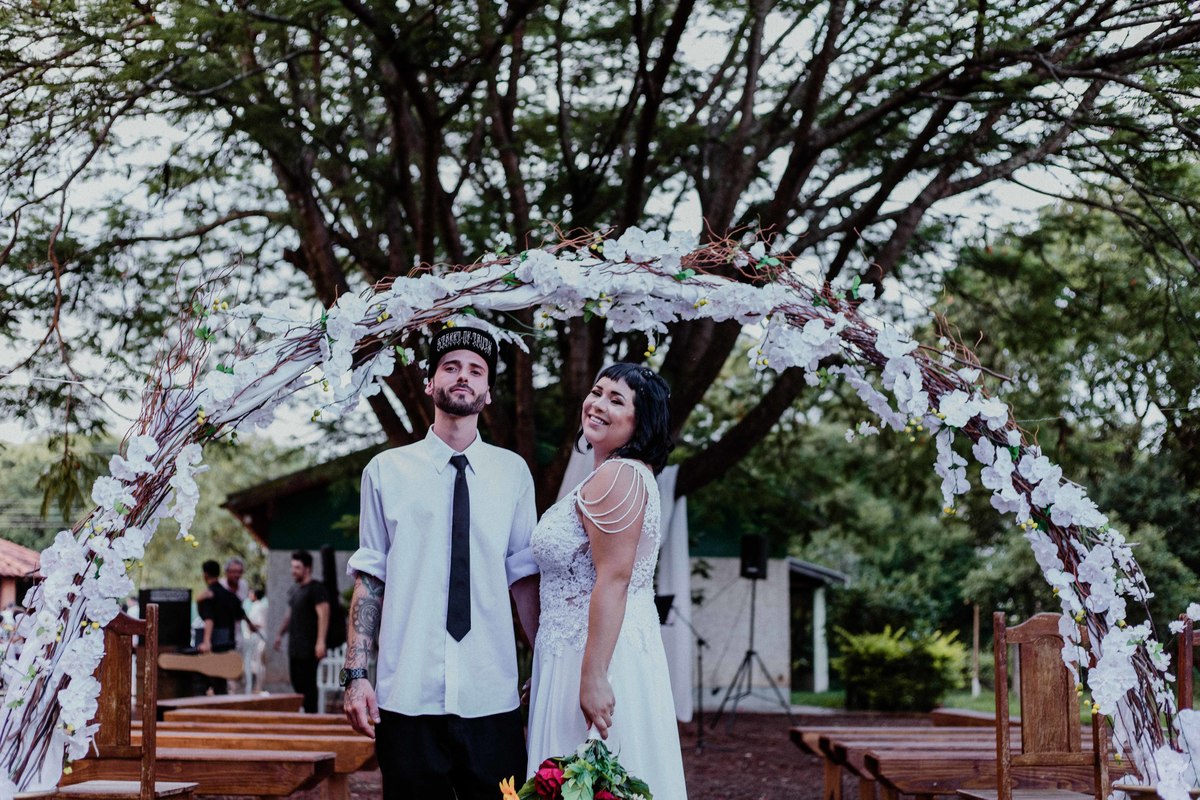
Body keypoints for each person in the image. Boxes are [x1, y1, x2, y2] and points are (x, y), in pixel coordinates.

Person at [343, 326, 540, 800]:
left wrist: (547, 665)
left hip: (491, 694)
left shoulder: (513, 473)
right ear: (430, 383)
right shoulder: (385, 471)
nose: (463, 376)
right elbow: (371, 578)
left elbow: (524, 581)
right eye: (451, 367)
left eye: (476, 371)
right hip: (407, 694)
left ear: (488, 392)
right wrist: (356, 676)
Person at [525, 363, 688, 798]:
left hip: (593, 656)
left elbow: (614, 580)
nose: (598, 404)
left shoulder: (620, 476)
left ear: (640, 422)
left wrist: (594, 676)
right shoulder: (617, 475)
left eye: (616, 400)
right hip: (575, 652)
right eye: (597, 392)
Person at [274, 550, 330, 713]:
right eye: (292, 567)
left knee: (308, 687)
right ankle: (305, 716)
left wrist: (321, 641)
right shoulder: (295, 590)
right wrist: (280, 634)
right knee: (297, 684)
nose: (293, 571)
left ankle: (312, 718)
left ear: (308, 568)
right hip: (295, 647)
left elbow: (324, 614)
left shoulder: (316, 589)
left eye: (297, 567)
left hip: (309, 648)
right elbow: (289, 615)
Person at [197, 559, 255, 695]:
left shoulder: (210, 594)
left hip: (215, 643)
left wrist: (206, 641)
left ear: (205, 575)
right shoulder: (228, 594)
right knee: (222, 681)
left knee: (211, 680)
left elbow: (209, 619)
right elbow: (241, 612)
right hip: (229, 641)